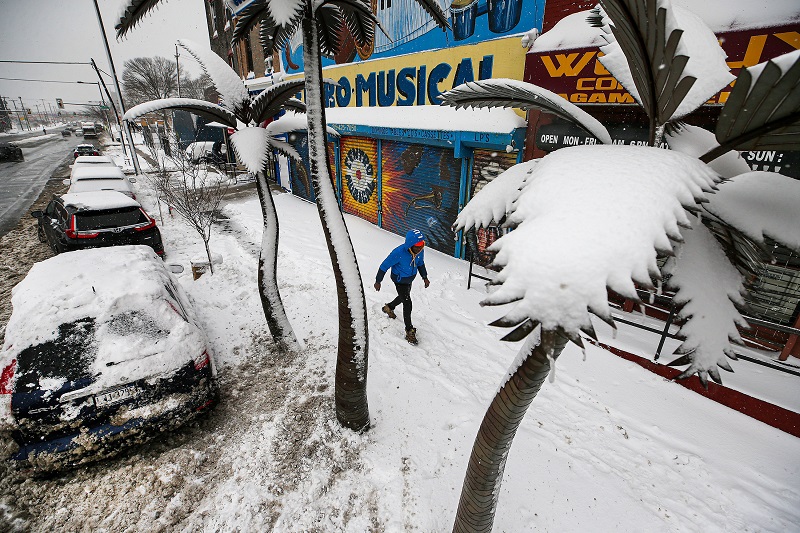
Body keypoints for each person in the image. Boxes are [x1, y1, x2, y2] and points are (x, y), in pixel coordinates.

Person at [374, 229, 430, 345]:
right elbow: (384, 266)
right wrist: (378, 281)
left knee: (404, 296)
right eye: (417, 246)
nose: (420, 248)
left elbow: (420, 263)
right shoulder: (398, 253)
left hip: (409, 278)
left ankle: (389, 307)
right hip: (399, 280)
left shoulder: (419, 251)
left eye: (422, 245)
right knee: (407, 302)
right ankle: (409, 331)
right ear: (410, 245)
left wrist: (424, 277)